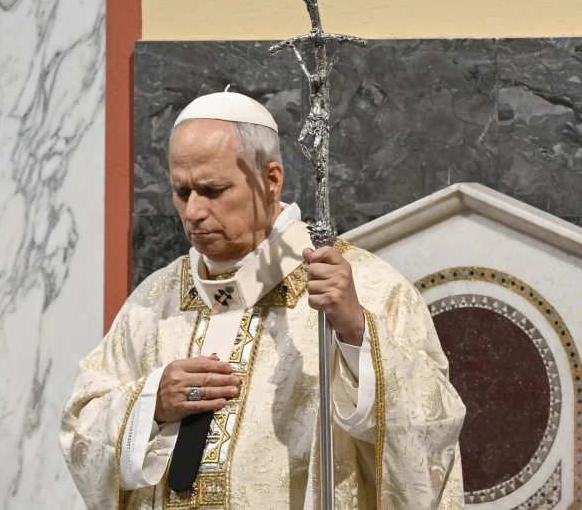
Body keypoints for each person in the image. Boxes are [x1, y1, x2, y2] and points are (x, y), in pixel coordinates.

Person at [60, 92, 465, 509]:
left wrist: (357, 335)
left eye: (212, 190)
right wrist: (150, 404)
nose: (193, 211)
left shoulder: (368, 288)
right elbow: (80, 429)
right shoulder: (153, 303)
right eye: (182, 192)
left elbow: (432, 430)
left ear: (271, 180)